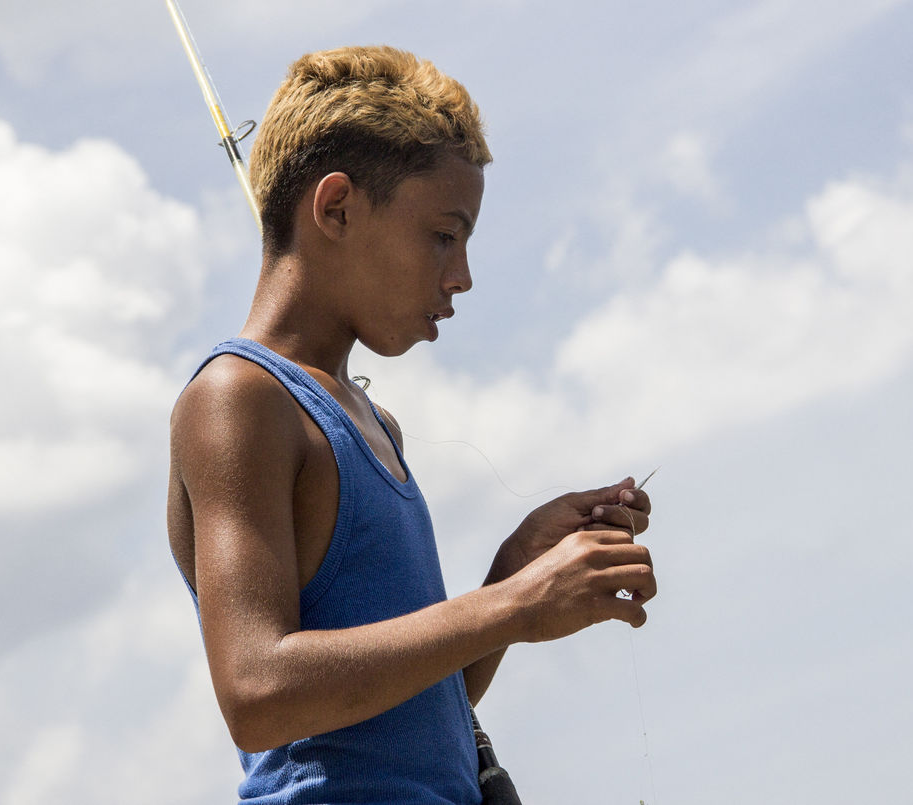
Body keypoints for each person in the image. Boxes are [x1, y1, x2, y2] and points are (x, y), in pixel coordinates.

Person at [166, 45, 657, 805]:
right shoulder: (237, 398)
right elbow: (258, 691)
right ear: (335, 209)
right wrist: (513, 605)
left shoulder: (376, 423)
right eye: (443, 235)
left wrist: (515, 567)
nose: (461, 274)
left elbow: (410, 708)